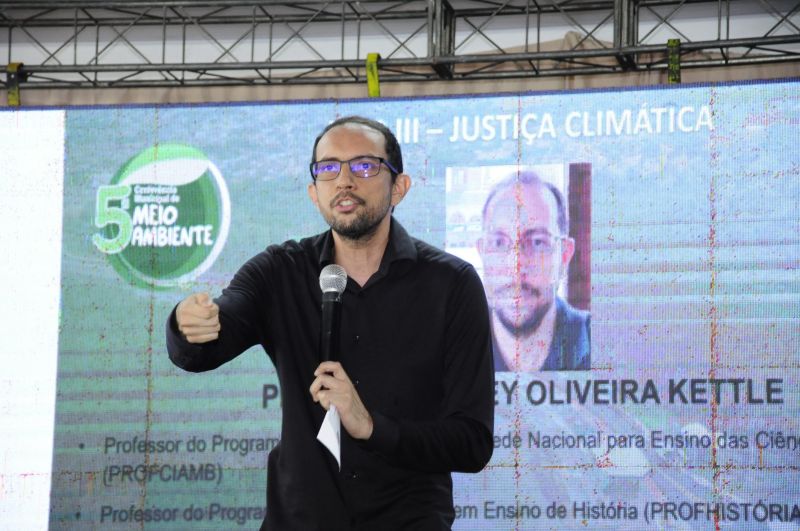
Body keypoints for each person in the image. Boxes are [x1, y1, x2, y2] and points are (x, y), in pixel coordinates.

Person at [166, 116, 494, 530]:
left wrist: (373, 428)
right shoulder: (279, 271)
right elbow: (209, 342)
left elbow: (472, 443)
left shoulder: (451, 284)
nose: (344, 181)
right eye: (328, 168)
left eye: (363, 166)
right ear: (313, 193)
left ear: (399, 187)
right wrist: (188, 324)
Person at [477, 172, 590, 371]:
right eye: (498, 242)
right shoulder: (449, 343)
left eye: (537, 242)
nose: (516, 266)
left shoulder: (601, 340)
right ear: (483, 253)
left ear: (564, 255)